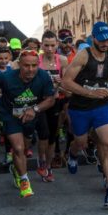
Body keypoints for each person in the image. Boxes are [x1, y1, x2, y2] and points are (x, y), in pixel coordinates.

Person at [62, 22, 108, 207]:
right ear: (94, 39)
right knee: (81, 142)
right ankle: (73, 154)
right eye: (102, 40)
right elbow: (66, 82)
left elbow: (107, 75)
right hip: (80, 108)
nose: (106, 44)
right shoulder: (84, 55)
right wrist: (90, 93)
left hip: (101, 106)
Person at [0, 49, 55, 198]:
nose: (31, 69)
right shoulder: (7, 77)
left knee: (25, 148)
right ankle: (24, 180)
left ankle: (16, 169)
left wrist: (34, 109)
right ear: (19, 65)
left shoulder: (43, 76)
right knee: (18, 148)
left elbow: (50, 99)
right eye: (26, 65)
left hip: (30, 116)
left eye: (34, 65)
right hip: (10, 116)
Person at [36, 31, 68, 182]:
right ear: (41, 45)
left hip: (55, 102)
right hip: (40, 103)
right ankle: (42, 160)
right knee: (43, 134)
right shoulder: (36, 60)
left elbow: (66, 83)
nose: (49, 49)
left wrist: (60, 82)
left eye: (52, 45)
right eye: (46, 45)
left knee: (52, 137)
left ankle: (48, 166)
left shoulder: (62, 60)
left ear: (57, 45)